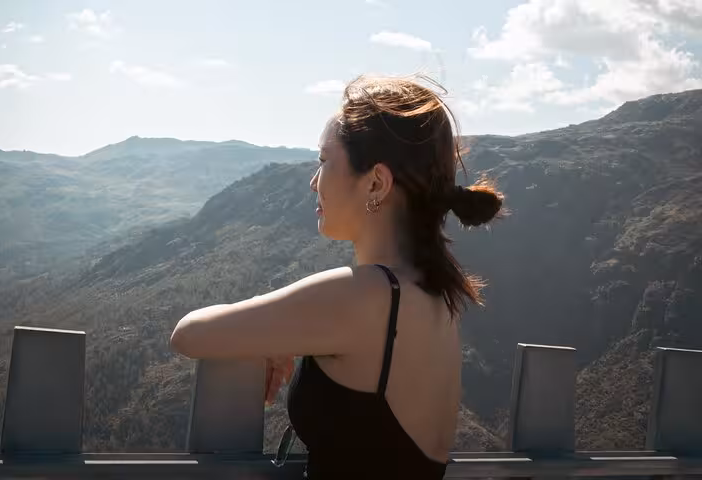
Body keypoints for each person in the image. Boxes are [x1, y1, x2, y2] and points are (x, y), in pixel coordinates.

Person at [170, 74, 504, 479]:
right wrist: (288, 332)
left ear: (376, 183)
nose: (314, 182)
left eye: (324, 161)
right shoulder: (432, 298)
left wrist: (275, 335)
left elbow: (189, 333)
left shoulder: (361, 295)